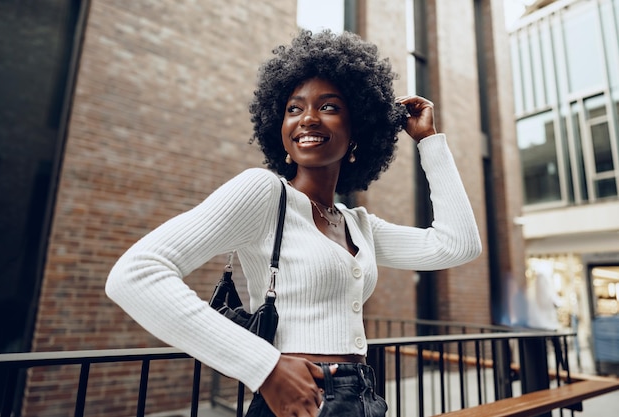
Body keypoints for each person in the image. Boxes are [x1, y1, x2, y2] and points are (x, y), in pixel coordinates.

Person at [106, 29, 482, 417]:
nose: (308, 119)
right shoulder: (265, 192)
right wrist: (265, 369)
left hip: (365, 397)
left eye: (330, 107)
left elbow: (458, 245)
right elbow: (135, 274)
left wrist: (429, 141)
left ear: (358, 132)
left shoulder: (358, 225)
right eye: (294, 108)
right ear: (279, 125)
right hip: (298, 398)